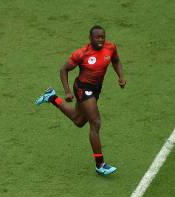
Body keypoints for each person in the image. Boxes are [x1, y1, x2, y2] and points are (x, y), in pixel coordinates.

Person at [36, 25, 126, 176]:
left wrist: (121, 77)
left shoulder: (110, 48)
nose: (100, 40)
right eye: (97, 37)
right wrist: (67, 91)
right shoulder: (82, 53)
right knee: (95, 122)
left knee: (78, 121)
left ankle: (51, 97)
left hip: (96, 89)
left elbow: (116, 61)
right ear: (90, 39)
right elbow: (63, 70)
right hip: (82, 88)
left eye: (102, 37)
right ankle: (100, 164)